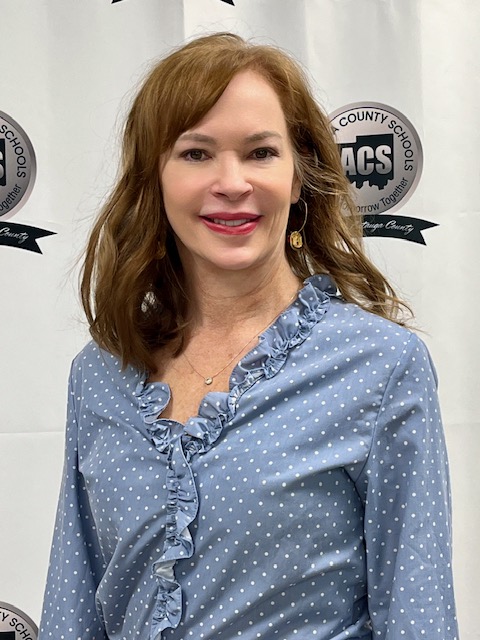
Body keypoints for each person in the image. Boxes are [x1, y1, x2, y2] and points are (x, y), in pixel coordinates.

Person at [39, 33, 458, 640]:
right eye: (196, 153)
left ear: (299, 176)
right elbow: (71, 605)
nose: (231, 182)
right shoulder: (101, 372)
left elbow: (419, 616)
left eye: (260, 153)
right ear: (155, 178)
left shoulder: (381, 366)